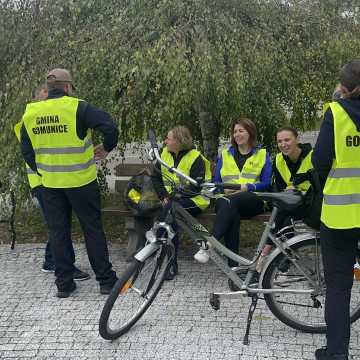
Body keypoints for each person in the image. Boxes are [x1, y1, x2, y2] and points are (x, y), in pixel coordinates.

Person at [20, 68, 118, 298]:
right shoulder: (78, 107)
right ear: (67, 87)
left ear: (49, 88)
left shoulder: (31, 112)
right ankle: (105, 281)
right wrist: (106, 148)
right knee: (92, 230)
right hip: (81, 181)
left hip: (50, 184)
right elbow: (110, 127)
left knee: (58, 233)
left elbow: (26, 150)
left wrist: (43, 170)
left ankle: (64, 284)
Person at [14, 83, 89, 281]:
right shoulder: (31, 119)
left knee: (58, 225)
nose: (49, 97)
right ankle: (63, 266)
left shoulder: (37, 117)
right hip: (43, 180)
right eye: (45, 93)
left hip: (48, 178)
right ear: (38, 97)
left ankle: (50, 260)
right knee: (59, 227)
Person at [312, 60, 360, 360]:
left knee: (340, 287)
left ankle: (337, 352)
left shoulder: (337, 113)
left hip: (341, 216)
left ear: (343, 86)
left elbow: (319, 161)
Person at [194, 118, 272, 266]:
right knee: (231, 212)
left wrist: (247, 187)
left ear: (250, 132)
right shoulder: (225, 154)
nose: (237, 134)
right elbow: (216, 183)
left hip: (252, 201)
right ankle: (233, 267)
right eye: (235, 131)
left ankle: (210, 244)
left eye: (241, 131)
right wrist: (224, 188)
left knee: (231, 203)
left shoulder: (262, 154)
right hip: (227, 202)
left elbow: (267, 183)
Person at [152, 125, 212, 280]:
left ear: (179, 141)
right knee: (170, 214)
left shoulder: (195, 157)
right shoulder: (164, 153)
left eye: (169, 138)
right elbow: (155, 177)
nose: (165, 141)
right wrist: (164, 196)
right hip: (172, 200)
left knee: (170, 213)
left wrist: (171, 200)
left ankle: (166, 259)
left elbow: (194, 188)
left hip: (196, 200)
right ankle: (167, 260)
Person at [257, 126, 313, 263]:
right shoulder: (278, 160)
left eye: (287, 140)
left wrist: (296, 186)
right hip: (291, 203)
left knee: (283, 212)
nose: (283, 144)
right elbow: (280, 188)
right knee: (284, 212)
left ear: (297, 139)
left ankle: (263, 254)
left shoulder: (313, 156)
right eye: (279, 141)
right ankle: (284, 261)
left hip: (312, 202)